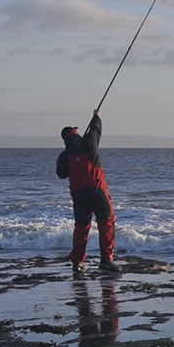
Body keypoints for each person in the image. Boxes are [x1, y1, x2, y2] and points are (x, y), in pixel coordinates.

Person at [56, 108, 120, 274]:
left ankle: (77, 262)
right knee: (106, 221)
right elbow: (95, 130)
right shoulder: (89, 143)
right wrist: (96, 117)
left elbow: (61, 174)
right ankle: (106, 260)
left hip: (78, 195)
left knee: (81, 227)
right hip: (96, 189)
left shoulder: (64, 156)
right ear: (76, 134)